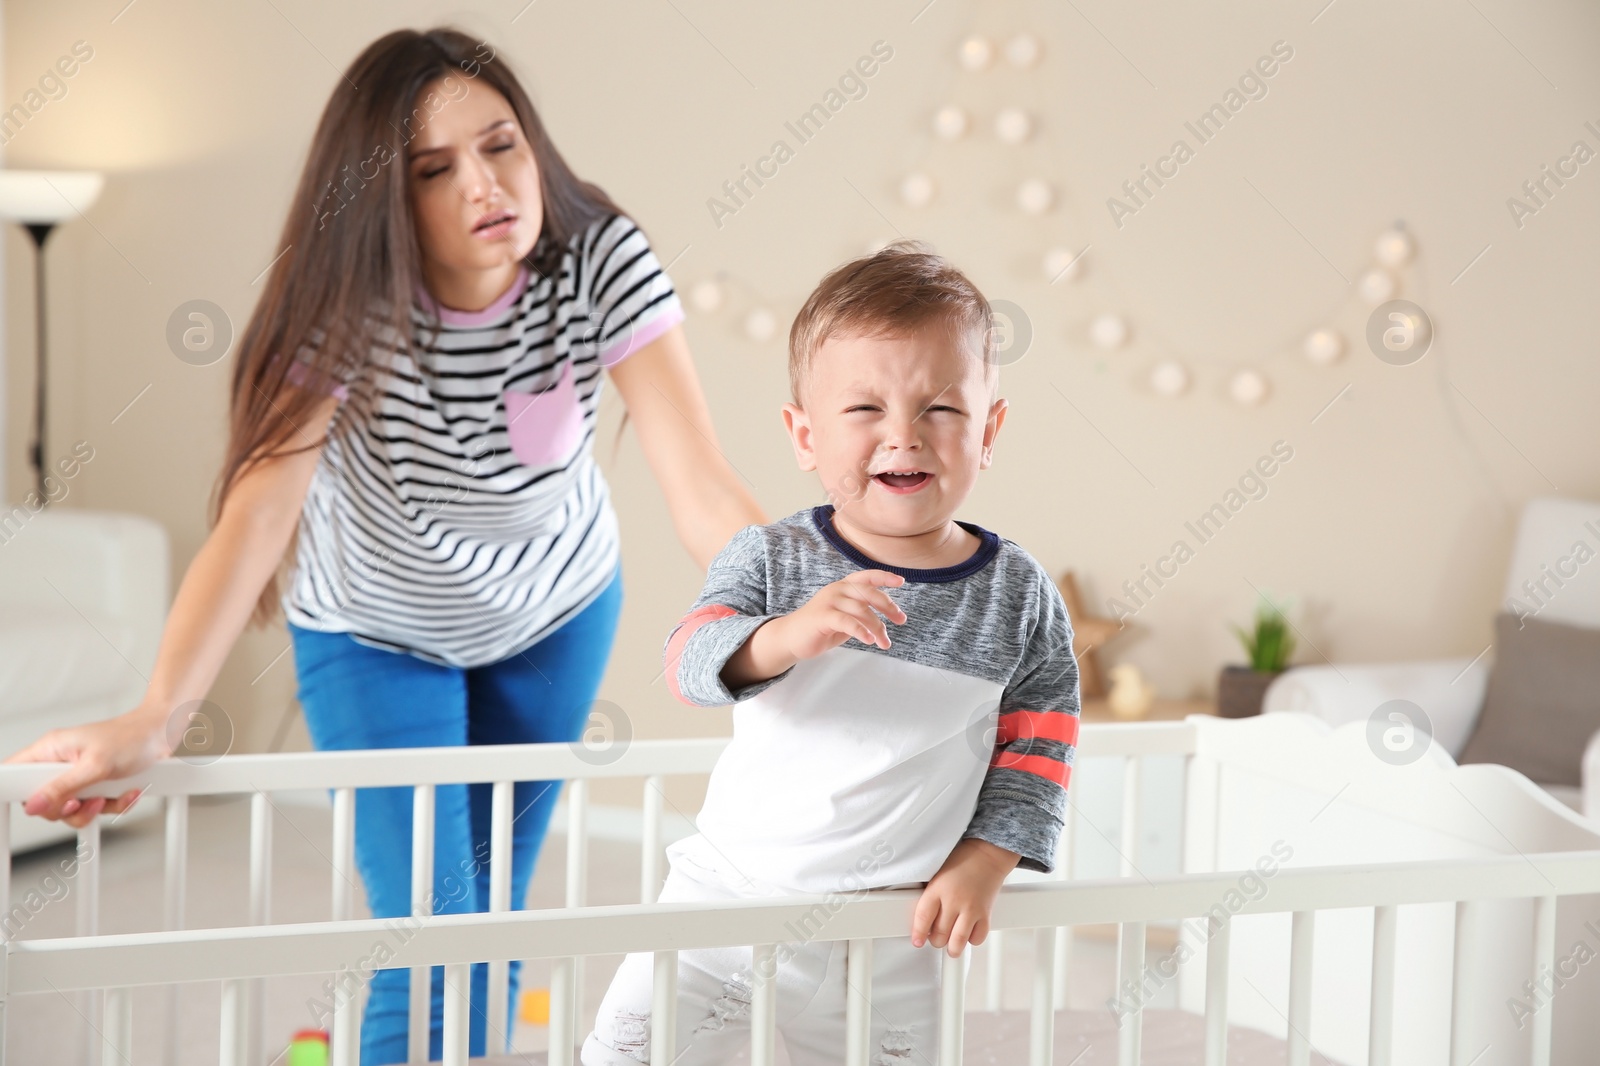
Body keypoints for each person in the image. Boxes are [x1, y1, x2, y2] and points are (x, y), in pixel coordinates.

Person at [3, 27, 764, 1066]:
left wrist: (793, 608)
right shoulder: (343, 305)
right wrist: (157, 712)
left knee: (492, 914)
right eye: (434, 169)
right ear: (384, 200)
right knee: (426, 921)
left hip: (554, 610)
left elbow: (699, 482)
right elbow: (258, 515)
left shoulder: (598, 258)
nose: (485, 184)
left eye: (501, 145)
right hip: (374, 630)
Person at [581, 241, 1081, 1065]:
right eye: (865, 411)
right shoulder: (770, 559)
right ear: (804, 436)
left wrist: (986, 860)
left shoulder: (1019, 596)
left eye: (941, 410)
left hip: (890, 927)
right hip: (724, 899)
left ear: (989, 430)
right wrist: (782, 637)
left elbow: (1039, 742)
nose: (903, 437)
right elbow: (687, 660)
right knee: (624, 1054)